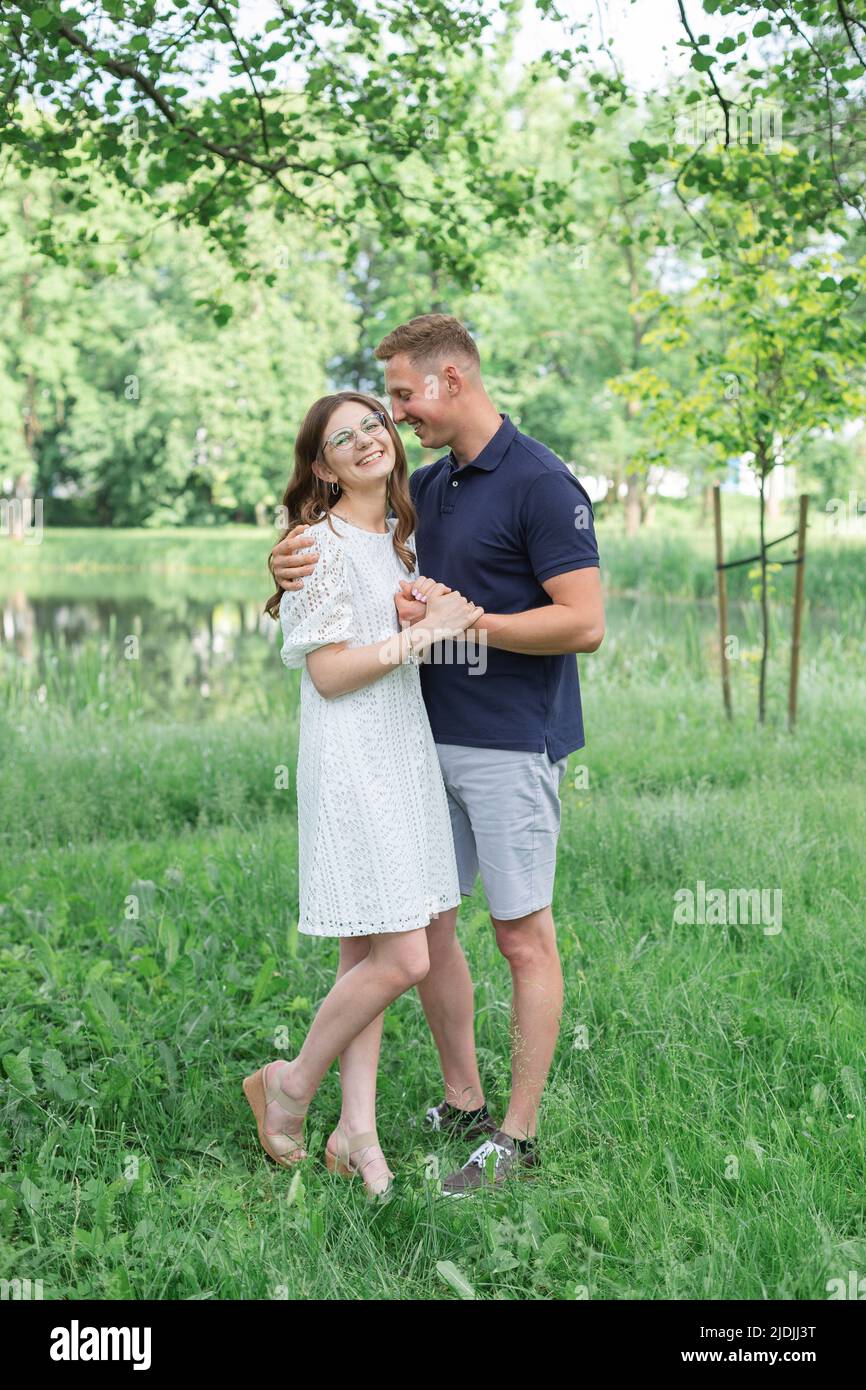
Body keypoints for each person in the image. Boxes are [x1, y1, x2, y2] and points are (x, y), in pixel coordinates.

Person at [271, 315, 605, 1195]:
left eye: (405, 399)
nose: (397, 416)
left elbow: (585, 623)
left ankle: (514, 1138)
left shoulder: (541, 481)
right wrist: (285, 559)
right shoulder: (431, 486)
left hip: (507, 741)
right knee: (422, 930)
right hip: (412, 745)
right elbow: (355, 569)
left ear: (452, 379)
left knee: (521, 935)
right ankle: (461, 1099)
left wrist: (468, 625)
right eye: (385, 409)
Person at [244, 390, 482, 1200]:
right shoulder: (316, 545)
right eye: (342, 438)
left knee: (367, 953)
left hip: (402, 752)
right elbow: (332, 673)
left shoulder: (399, 542)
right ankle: (289, 1085)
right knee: (407, 956)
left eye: (373, 423)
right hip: (351, 759)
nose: (366, 440)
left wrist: (428, 612)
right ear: (322, 465)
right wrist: (423, 634)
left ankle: (358, 1134)